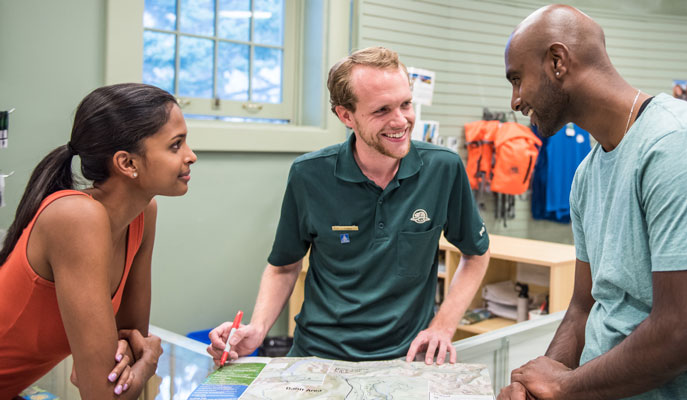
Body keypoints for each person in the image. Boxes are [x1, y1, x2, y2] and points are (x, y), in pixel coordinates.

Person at [499, 5, 687, 399]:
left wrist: (564, 387)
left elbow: (684, 334)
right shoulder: (586, 176)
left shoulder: (678, 146)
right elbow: (585, 307)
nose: (515, 100)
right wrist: (541, 385)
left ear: (557, 61)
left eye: (517, 79)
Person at [208, 47, 491, 365]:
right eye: (382, 110)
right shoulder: (308, 175)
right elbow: (284, 267)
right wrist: (258, 329)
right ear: (346, 116)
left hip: (405, 360)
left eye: (406, 104)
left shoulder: (444, 169)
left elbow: (476, 254)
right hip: (316, 357)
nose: (401, 121)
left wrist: (443, 325)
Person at [0, 83, 197, 398]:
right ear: (127, 163)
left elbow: (130, 342)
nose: (191, 156)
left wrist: (131, 362)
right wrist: (148, 364)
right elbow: (104, 393)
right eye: (176, 145)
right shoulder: (76, 217)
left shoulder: (144, 214)